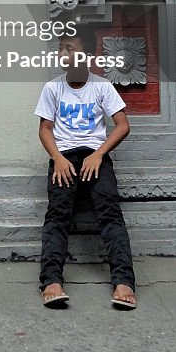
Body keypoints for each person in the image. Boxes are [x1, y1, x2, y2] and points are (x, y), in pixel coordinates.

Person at [35, 29, 136, 310]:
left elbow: (123, 125)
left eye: (70, 48)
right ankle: (51, 281)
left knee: (110, 213)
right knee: (58, 214)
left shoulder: (102, 86)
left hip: (95, 156)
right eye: (61, 48)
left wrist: (99, 154)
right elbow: (44, 129)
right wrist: (57, 157)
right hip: (64, 158)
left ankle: (124, 282)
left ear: (87, 55)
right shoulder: (52, 88)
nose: (63, 54)